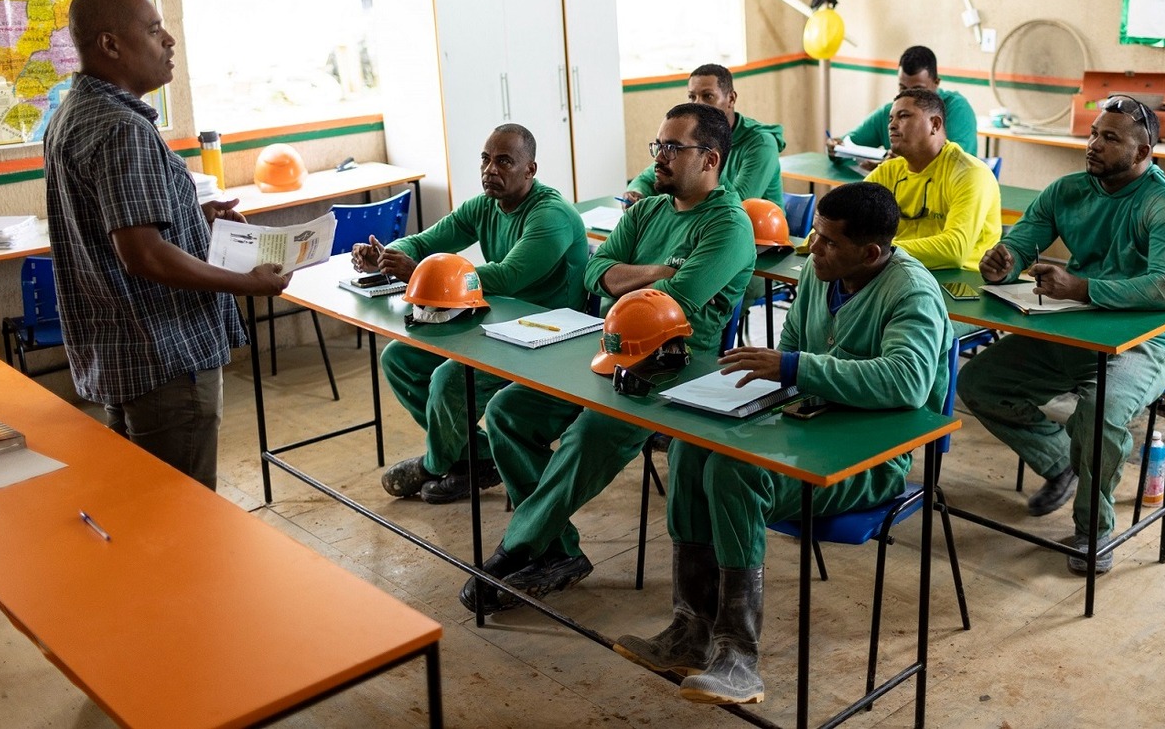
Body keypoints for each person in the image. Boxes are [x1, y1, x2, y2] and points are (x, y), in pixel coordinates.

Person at [613, 182, 953, 706]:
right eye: (814, 234)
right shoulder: (822, 275)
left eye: (828, 242)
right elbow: (792, 351)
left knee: (735, 471)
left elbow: (906, 383)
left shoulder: (912, 292)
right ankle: (689, 628)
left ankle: (737, 655)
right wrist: (755, 387)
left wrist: (795, 368)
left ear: (871, 252)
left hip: (871, 460)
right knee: (689, 447)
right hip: (808, 432)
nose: (812, 248)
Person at [460, 102, 755, 611]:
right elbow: (594, 275)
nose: (658, 157)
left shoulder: (728, 226)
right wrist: (656, 271)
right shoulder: (648, 210)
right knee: (509, 411)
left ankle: (521, 545)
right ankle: (558, 550)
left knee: (589, 434)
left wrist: (638, 277)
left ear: (709, 159)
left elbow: (672, 305)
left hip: (674, 372)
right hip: (610, 348)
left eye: (671, 148)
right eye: (656, 146)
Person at [43, 0, 290, 490]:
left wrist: (188, 212)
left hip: (121, 351)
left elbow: (110, 223)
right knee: (183, 516)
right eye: (154, 31)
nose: (170, 41)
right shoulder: (121, 127)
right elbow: (145, 256)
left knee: (145, 509)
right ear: (110, 46)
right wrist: (250, 283)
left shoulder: (74, 113)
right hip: (165, 356)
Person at [957, 95, 1165, 574]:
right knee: (978, 383)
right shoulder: (1068, 190)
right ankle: (1061, 458)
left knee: (1099, 414)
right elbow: (1021, 242)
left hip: (1142, 345)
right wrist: (1003, 262)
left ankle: (1094, 529)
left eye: (1111, 138)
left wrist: (1082, 287)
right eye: (1093, 134)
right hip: (1072, 330)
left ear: (1144, 152)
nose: (1094, 145)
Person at [359, 124, 588, 504]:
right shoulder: (484, 205)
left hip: (548, 336)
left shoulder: (551, 215)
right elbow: (425, 241)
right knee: (400, 358)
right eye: (485, 159)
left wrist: (418, 270)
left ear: (530, 170)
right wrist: (387, 254)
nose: (490, 170)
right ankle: (478, 458)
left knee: (451, 378)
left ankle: (434, 465)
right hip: (499, 325)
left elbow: (509, 276)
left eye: (504, 162)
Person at [865, 87, 1002, 271]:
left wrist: (879, 251)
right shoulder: (888, 172)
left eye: (903, 116)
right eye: (891, 119)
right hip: (901, 270)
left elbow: (954, 250)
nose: (892, 125)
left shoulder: (970, 174)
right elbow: (844, 213)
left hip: (959, 283)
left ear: (935, 124)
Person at [623, 63, 785, 205]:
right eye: (692, 97)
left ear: (731, 99)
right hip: (707, 224)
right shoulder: (694, 136)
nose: (697, 104)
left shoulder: (761, 143)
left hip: (759, 235)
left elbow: (739, 204)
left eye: (708, 96)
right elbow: (646, 179)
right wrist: (637, 193)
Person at [827, 45, 978, 159]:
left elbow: (955, 161)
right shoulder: (889, 113)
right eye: (903, 88)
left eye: (919, 90)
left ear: (936, 82)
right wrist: (835, 147)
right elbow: (849, 144)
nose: (909, 96)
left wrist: (895, 163)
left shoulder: (956, 109)